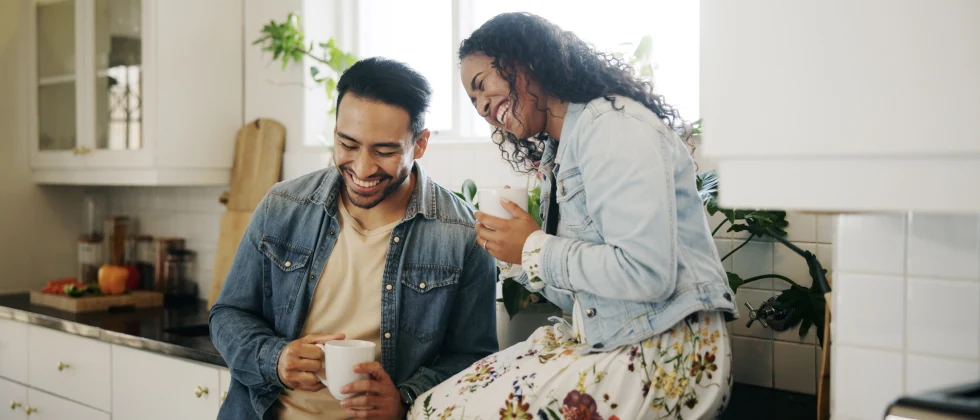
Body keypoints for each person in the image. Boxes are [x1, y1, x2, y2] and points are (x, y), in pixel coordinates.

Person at [411, 13, 738, 419]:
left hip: (669, 352)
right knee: (433, 405)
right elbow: (589, 295)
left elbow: (647, 273)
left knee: (439, 415)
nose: (481, 108)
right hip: (619, 337)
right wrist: (520, 260)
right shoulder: (561, 151)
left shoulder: (612, 127)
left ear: (523, 62)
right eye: (473, 102)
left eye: (482, 87)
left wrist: (533, 247)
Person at [210, 57, 498, 420]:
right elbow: (227, 314)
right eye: (348, 144)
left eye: (385, 151)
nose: (362, 169)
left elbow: (475, 360)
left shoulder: (463, 234)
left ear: (420, 144)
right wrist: (276, 358)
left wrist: (405, 399)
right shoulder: (283, 207)